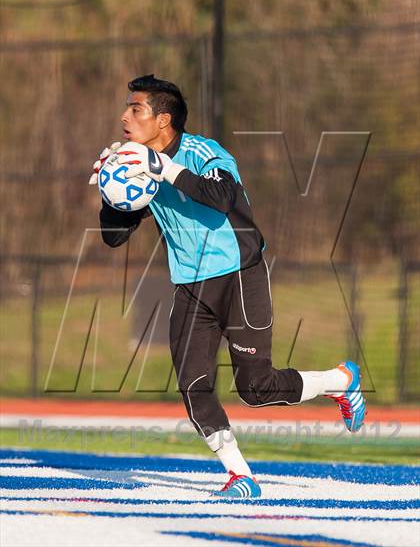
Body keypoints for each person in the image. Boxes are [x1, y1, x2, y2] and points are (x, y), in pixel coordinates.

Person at [89, 74, 366, 499]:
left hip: (240, 274)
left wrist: (161, 167)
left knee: (256, 388)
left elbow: (221, 197)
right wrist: (115, 197)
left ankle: (339, 381)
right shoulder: (136, 161)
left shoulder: (204, 152)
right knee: (192, 384)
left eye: (136, 108)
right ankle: (241, 476)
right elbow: (114, 236)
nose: (124, 116)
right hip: (189, 286)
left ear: (164, 120)